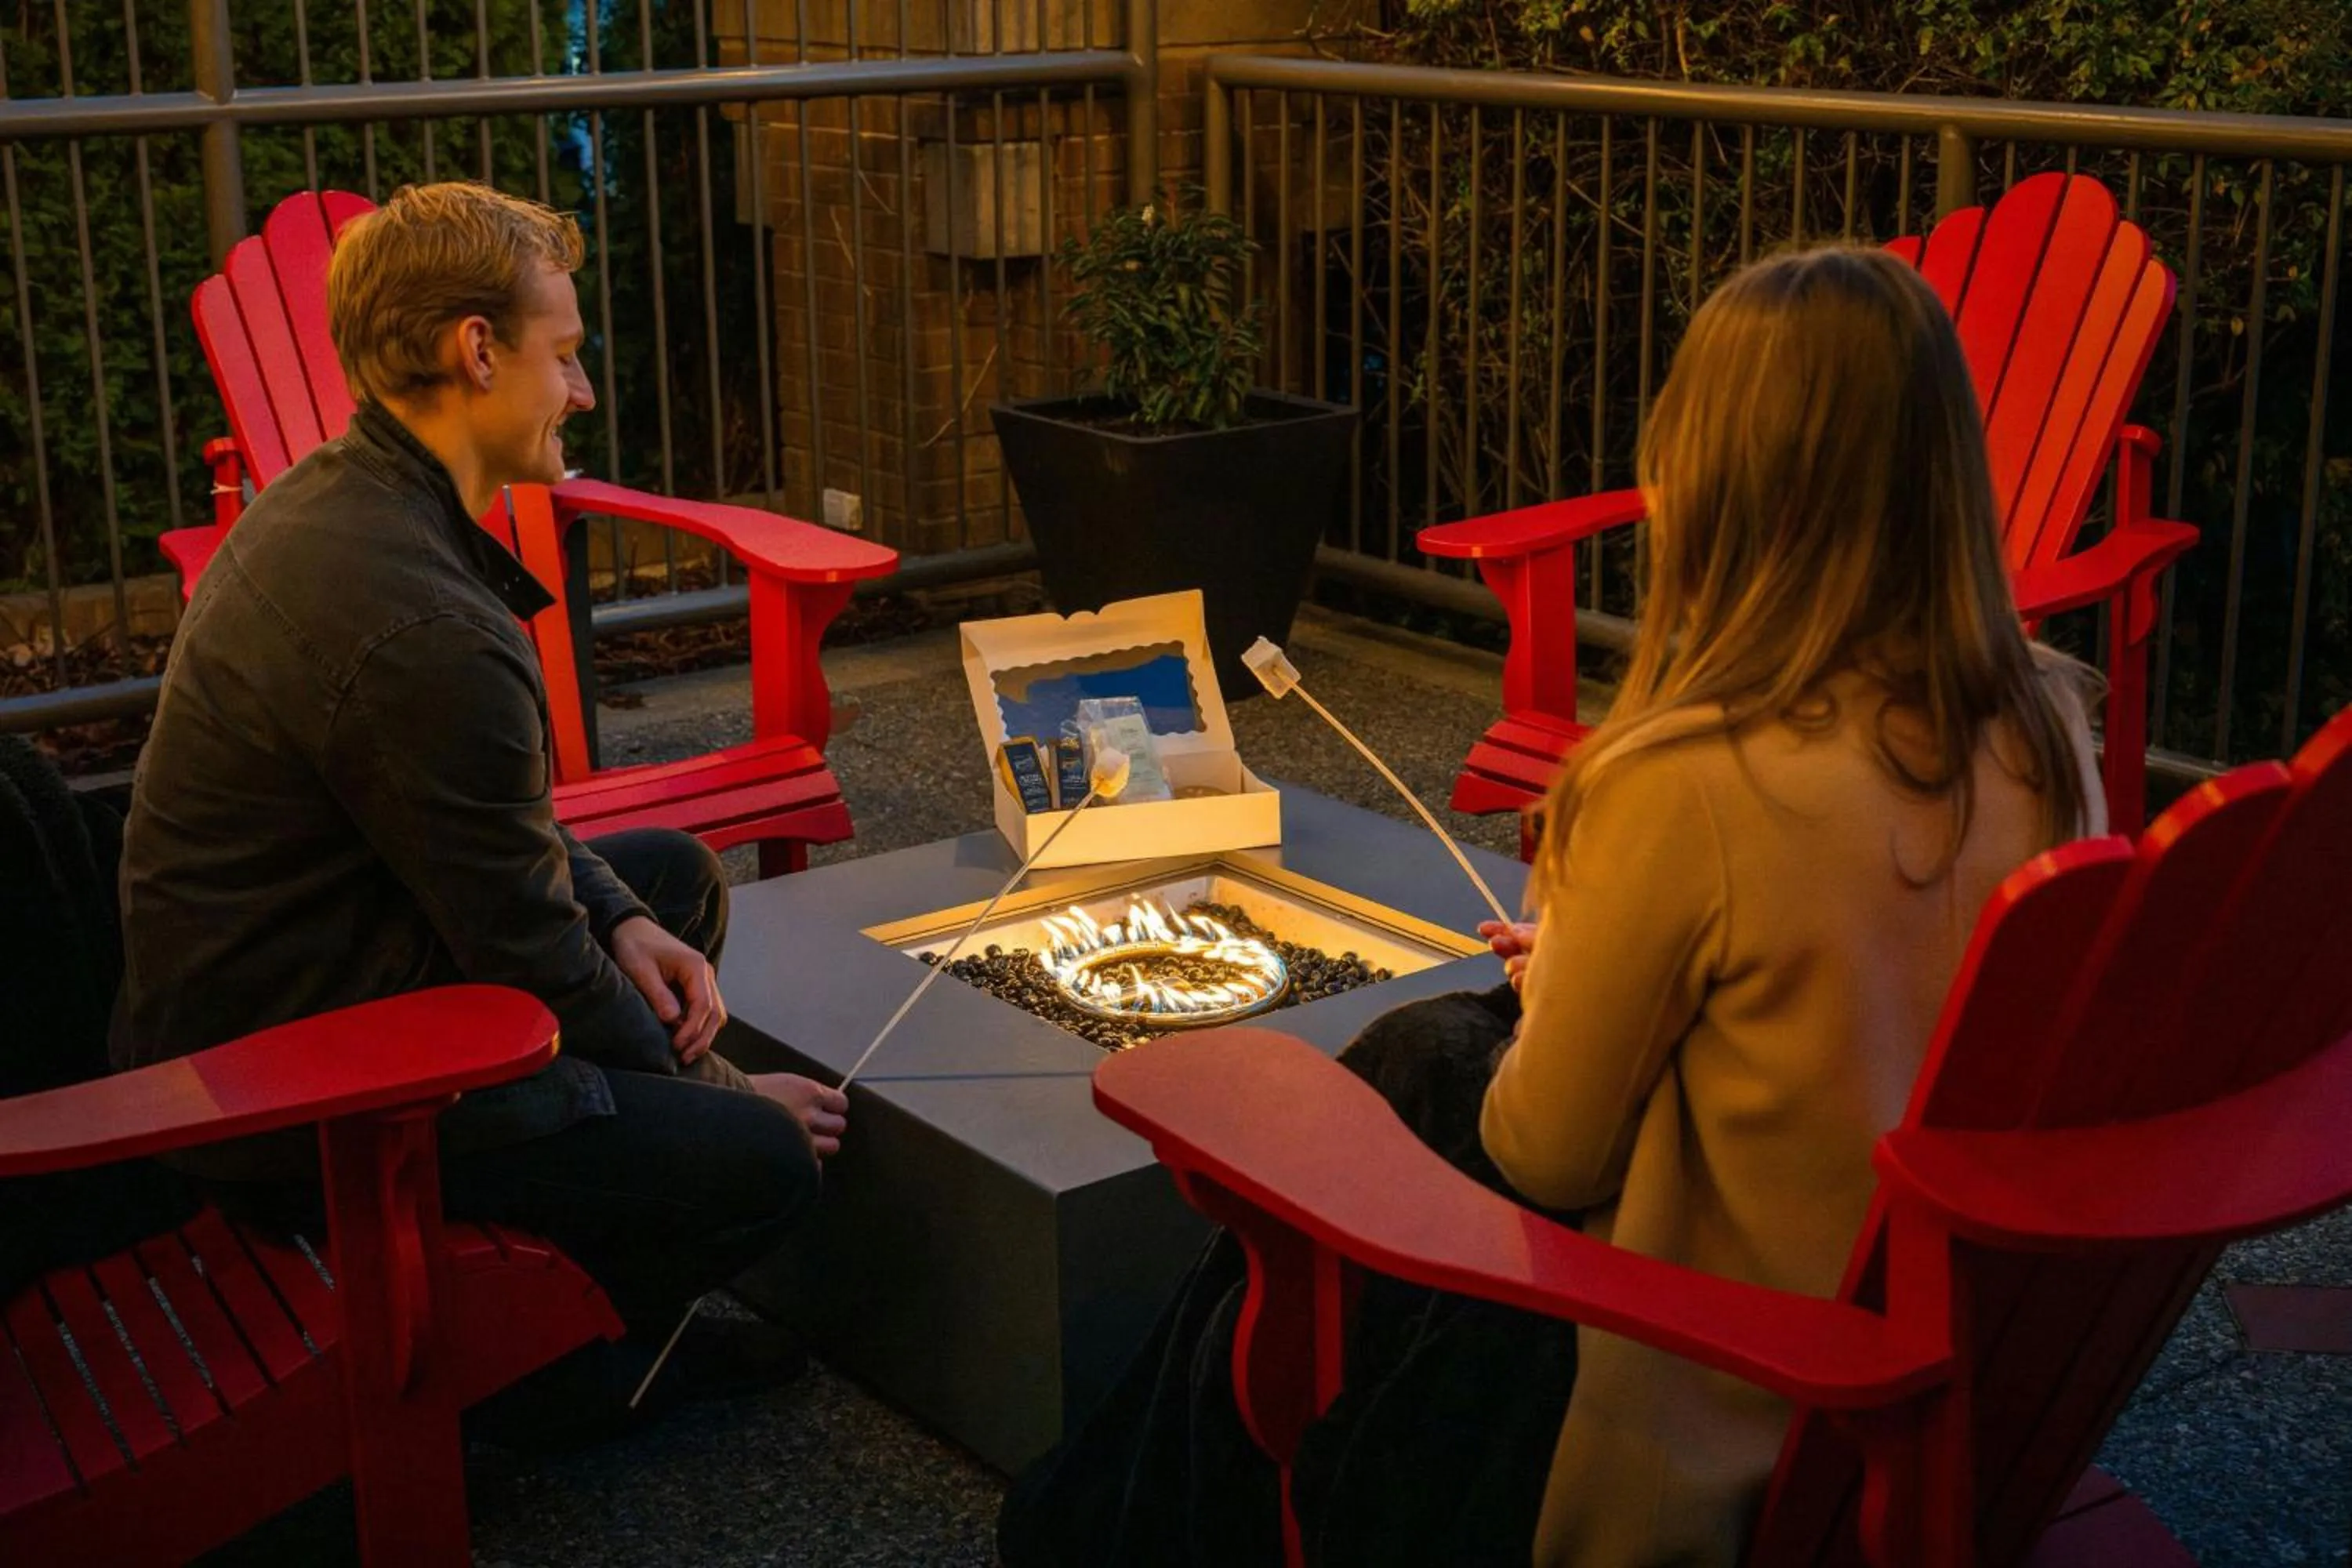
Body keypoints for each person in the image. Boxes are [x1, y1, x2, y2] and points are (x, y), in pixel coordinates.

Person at [1000, 244, 2103, 1567]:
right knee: (1433, 1048)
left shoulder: (1694, 777)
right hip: (1921, 1337)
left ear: (1713, 472)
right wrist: (1602, 974)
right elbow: (1857, 995)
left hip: (1705, 1386)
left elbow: (1547, 1156)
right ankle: (1080, 1522)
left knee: (1408, 1078)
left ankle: (1082, 1534)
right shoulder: (2042, 721)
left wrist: (1571, 977)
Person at [112, 181, 848, 1426]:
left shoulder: (352, 501)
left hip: (304, 965)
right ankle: (561, 1368)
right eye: (565, 356)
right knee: (773, 1166)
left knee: (667, 877)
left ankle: (588, 1245)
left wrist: (622, 918)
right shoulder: (423, 624)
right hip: (295, 1089)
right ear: (477, 349)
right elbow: (527, 951)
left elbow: (488, 817)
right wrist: (723, 1096)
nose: (583, 392)